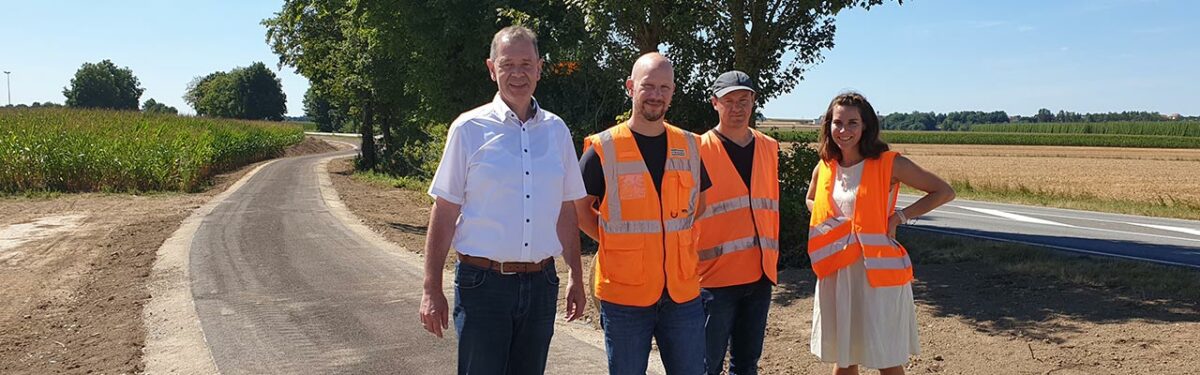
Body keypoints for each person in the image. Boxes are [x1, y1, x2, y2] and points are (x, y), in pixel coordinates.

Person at [418, 25, 589, 375]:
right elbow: (445, 211)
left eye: (526, 64)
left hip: (542, 285)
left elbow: (565, 209)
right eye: (507, 64)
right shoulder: (468, 129)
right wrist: (431, 287)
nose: (518, 73)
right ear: (491, 68)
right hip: (483, 286)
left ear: (539, 68)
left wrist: (575, 274)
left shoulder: (557, 131)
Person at [575, 52, 711, 375]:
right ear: (630, 87)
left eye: (664, 87)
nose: (656, 95)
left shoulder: (690, 145)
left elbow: (700, 205)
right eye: (648, 86)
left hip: (682, 294)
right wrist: (615, 241)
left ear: (672, 92)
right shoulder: (604, 148)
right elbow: (579, 211)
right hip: (625, 296)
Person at [805, 92, 955, 375]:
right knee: (844, 358)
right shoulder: (825, 166)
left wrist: (898, 217)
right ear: (828, 126)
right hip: (837, 272)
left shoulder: (889, 163)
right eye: (838, 123)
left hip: (877, 276)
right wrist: (830, 223)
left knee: (885, 358)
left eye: (852, 123)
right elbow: (811, 199)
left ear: (865, 125)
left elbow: (943, 192)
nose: (844, 130)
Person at [693, 71, 779, 375]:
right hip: (713, 280)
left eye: (744, 100)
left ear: (754, 102)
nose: (737, 107)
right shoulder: (697, 149)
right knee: (706, 366)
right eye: (729, 101)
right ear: (715, 103)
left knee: (746, 365)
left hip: (759, 276)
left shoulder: (769, 147)